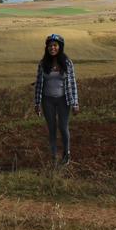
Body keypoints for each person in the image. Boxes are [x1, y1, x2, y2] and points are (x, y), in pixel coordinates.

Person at [34, 33, 79, 165]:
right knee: (52, 128)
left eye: (55, 45)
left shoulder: (67, 63)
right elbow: (38, 84)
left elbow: (72, 83)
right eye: (50, 46)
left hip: (63, 100)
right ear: (46, 48)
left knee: (63, 127)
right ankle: (53, 156)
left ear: (60, 47)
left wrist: (75, 103)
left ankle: (66, 154)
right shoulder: (43, 64)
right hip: (47, 101)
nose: (52, 48)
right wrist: (37, 103)